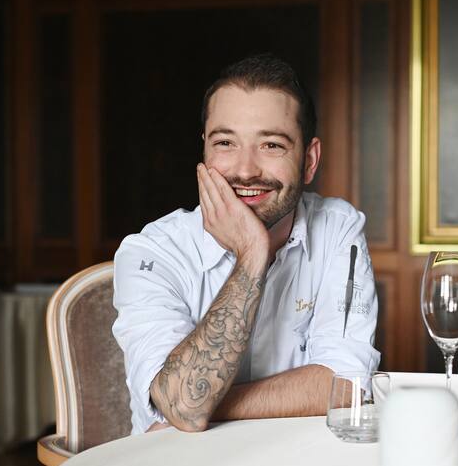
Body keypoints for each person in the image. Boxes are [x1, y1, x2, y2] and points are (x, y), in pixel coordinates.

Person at [112, 54, 380, 434]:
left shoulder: (338, 229)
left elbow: (346, 387)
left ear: (309, 160)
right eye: (225, 143)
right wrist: (252, 255)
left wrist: (206, 405)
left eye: (271, 145)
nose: (245, 169)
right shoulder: (152, 252)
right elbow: (183, 405)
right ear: (204, 149)